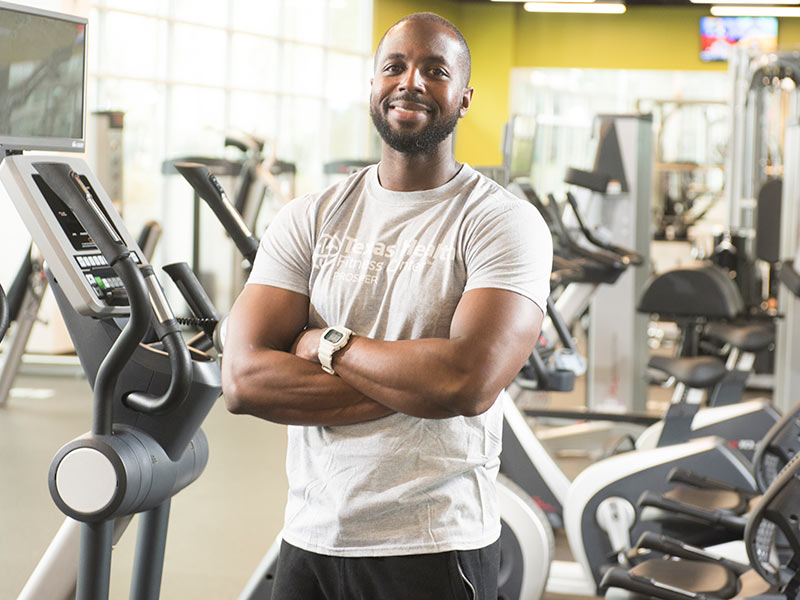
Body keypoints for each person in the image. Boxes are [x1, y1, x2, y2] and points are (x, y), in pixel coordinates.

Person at [222, 12, 552, 600]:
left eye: (435, 70)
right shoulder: (311, 215)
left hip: (434, 543)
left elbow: (466, 383)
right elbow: (245, 379)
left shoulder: (501, 223)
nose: (411, 82)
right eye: (394, 67)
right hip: (311, 536)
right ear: (373, 85)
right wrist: (413, 383)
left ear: (465, 97)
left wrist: (323, 344)